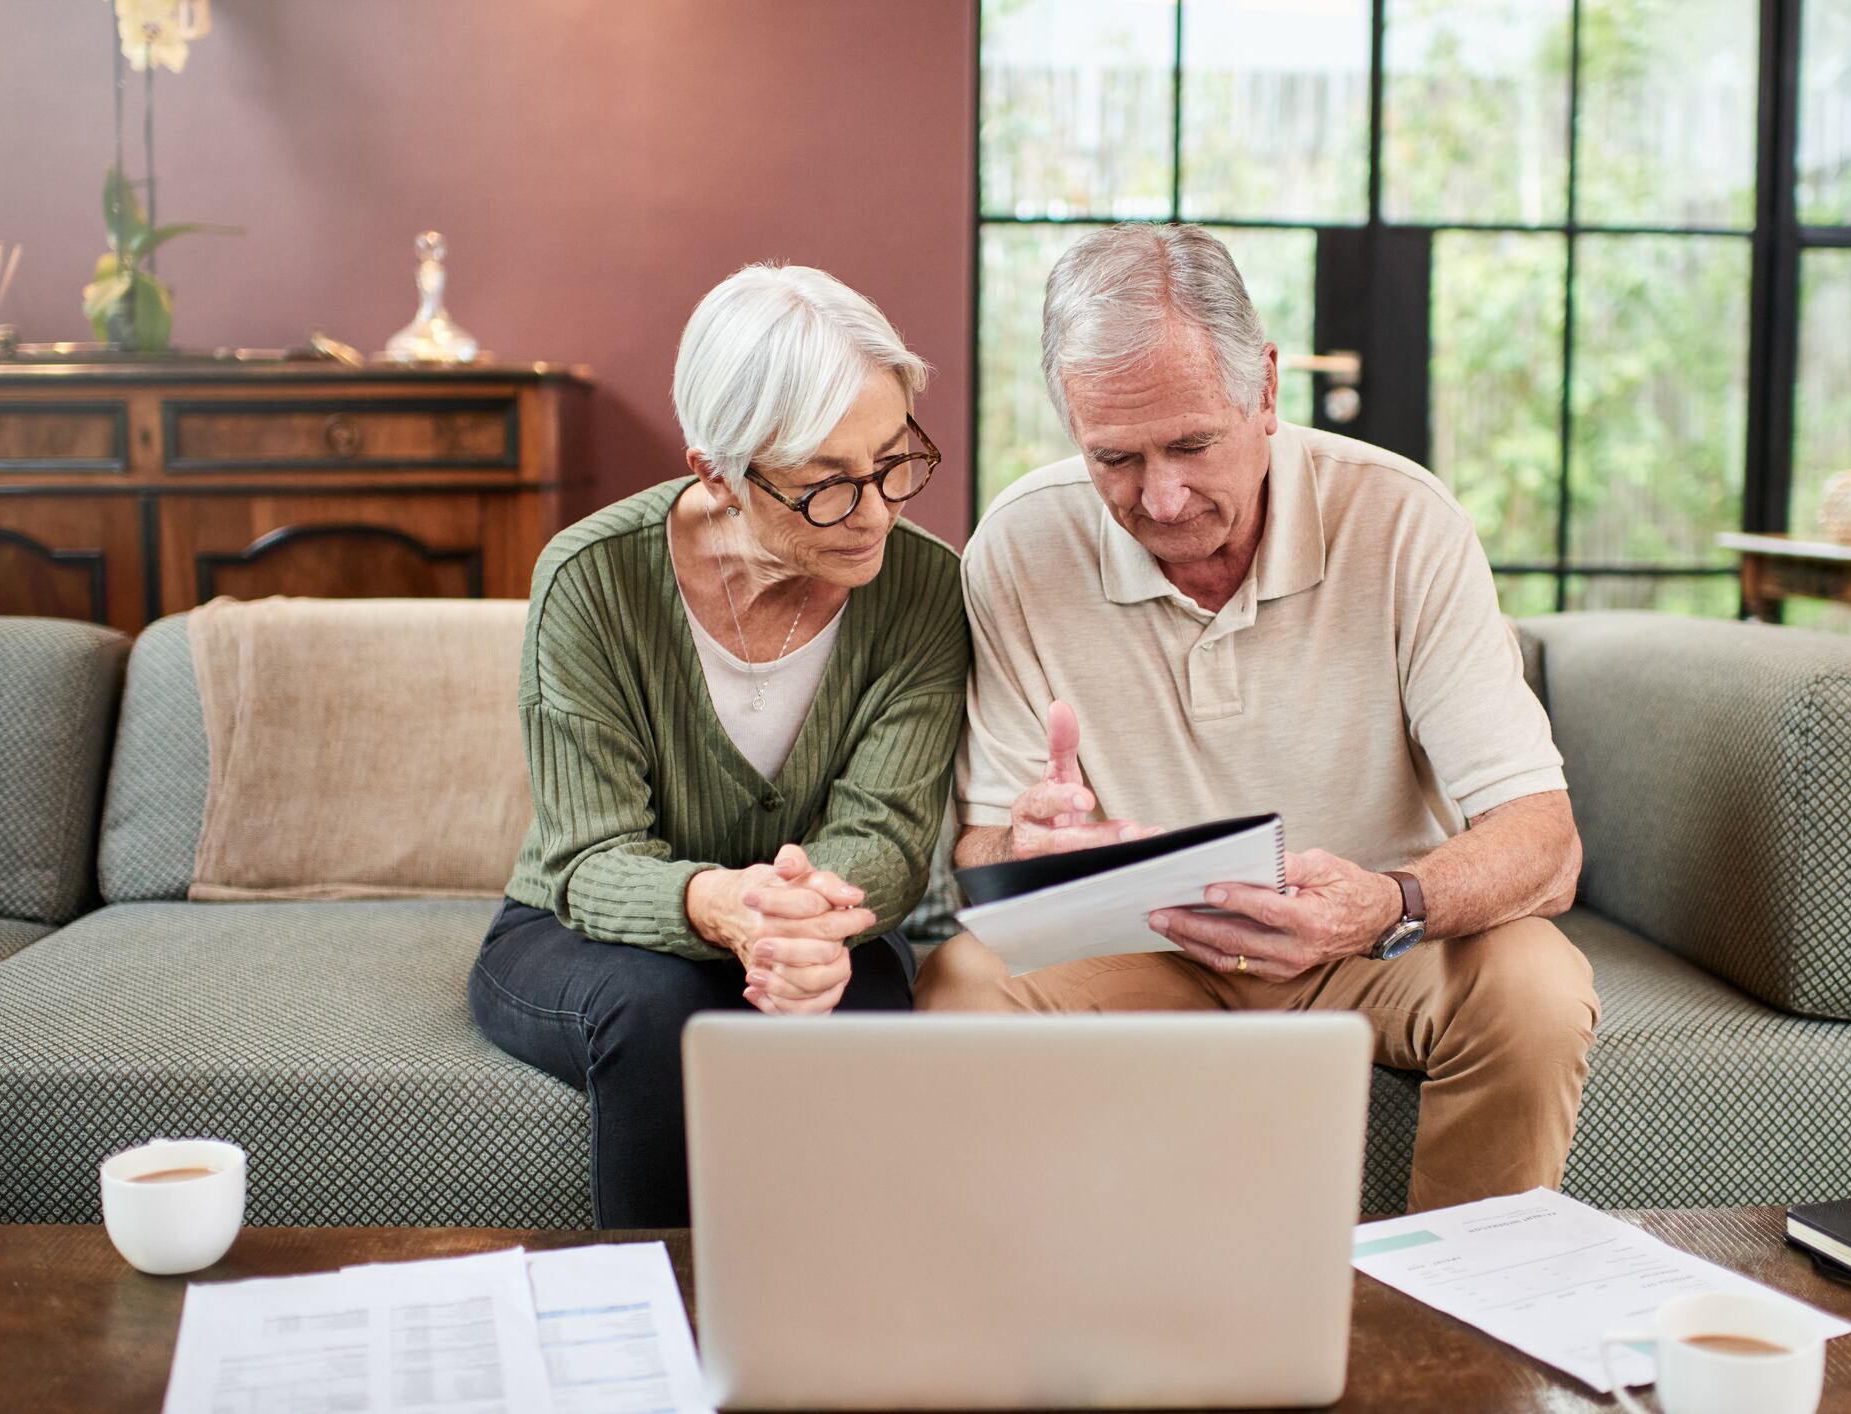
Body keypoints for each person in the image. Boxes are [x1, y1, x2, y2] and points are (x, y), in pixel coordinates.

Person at [917, 224, 1599, 1212]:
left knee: (1534, 984)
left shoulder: (1405, 520)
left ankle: (1458, 1325)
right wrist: (1030, 853)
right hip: (1144, 945)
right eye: (1114, 457)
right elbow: (985, 853)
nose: (1160, 496)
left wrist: (1388, 903)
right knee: (959, 986)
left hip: (1370, 944)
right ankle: (1055, 1321)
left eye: (1193, 443)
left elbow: (1546, 844)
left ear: (1267, 389)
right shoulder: (1020, 543)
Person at [470, 264, 969, 1226]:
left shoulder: (925, 589)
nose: (875, 512)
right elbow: (590, 856)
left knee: (857, 1012)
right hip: (584, 931)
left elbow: (890, 838)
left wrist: (793, 925)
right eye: (825, 484)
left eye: (893, 460)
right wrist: (721, 904)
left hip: (827, 919)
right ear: (717, 474)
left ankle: (849, 1342)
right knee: (668, 1017)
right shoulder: (591, 579)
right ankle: (655, 1334)